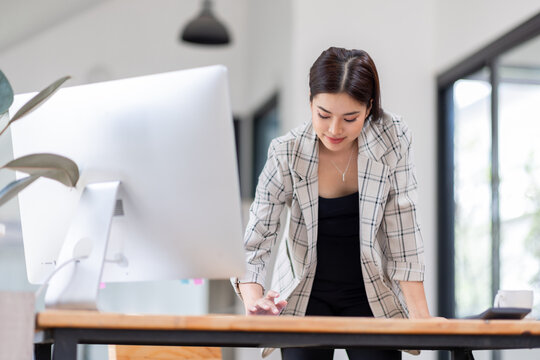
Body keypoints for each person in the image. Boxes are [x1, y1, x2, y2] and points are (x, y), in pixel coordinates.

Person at [231, 47, 431, 360]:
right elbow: (255, 241)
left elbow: (403, 230)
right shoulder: (287, 152)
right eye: (324, 115)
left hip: (370, 292)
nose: (335, 130)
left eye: (349, 118)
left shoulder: (392, 137)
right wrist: (254, 302)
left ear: (368, 108)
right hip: (304, 294)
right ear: (310, 100)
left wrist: (422, 320)